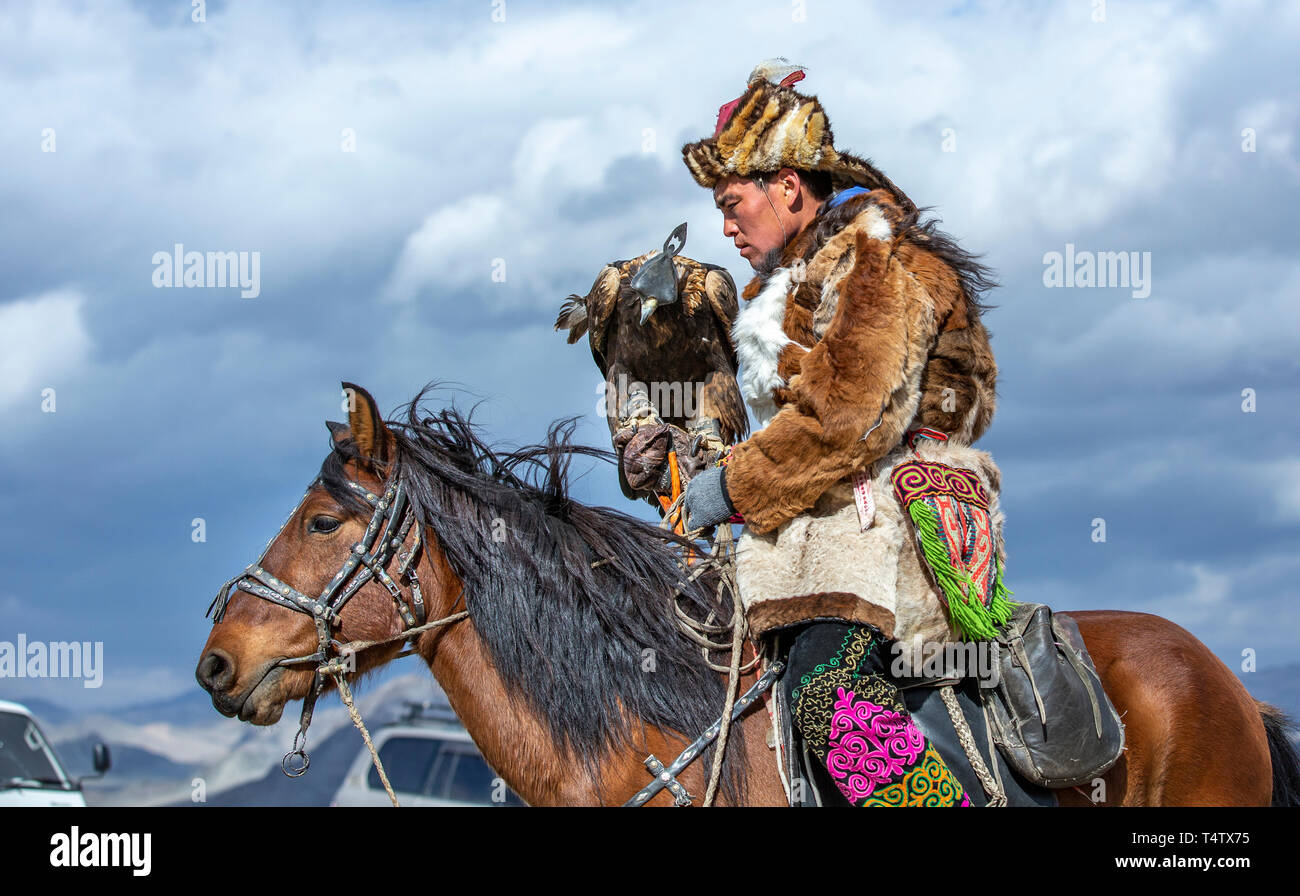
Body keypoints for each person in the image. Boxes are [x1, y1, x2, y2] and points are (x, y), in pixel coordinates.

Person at [678, 61, 1014, 806]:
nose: (725, 227)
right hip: (827, 526)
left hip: (890, 527)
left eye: (734, 204)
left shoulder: (877, 262)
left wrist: (732, 487)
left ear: (788, 187)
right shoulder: (800, 276)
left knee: (832, 698)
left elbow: (846, 420)